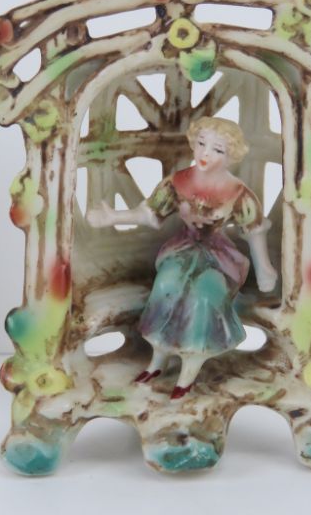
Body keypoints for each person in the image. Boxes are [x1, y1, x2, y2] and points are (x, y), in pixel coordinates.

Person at [87, 116, 277, 399]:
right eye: (201, 144)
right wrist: (113, 216)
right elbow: (150, 214)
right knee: (166, 285)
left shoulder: (238, 193)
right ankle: (158, 359)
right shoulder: (178, 182)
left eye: (217, 149)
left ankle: (191, 365)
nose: (205, 153)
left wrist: (264, 269)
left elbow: (254, 231)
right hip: (183, 248)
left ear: (231, 155)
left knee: (204, 294)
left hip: (218, 256)